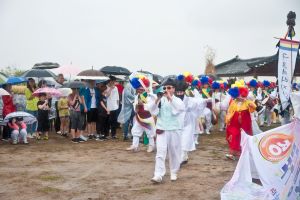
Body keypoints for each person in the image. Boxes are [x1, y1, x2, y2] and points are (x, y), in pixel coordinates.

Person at [148, 78, 185, 183]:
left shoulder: (177, 100)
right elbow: (151, 110)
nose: (166, 90)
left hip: (174, 129)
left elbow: (180, 108)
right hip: (162, 129)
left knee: (174, 152)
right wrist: (157, 99)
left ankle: (174, 172)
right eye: (164, 88)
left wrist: (170, 98)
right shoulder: (159, 99)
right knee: (160, 152)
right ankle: (158, 175)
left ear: (173, 89)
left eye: (169, 88)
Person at [225, 84, 256, 160]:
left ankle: (244, 151)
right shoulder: (233, 102)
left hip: (245, 120)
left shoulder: (247, 102)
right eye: (239, 96)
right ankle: (233, 152)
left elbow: (254, 107)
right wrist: (228, 120)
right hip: (234, 121)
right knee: (234, 134)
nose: (241, 97)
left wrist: (248, 102)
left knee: (245, 134)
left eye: (242, 96)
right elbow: (229, 111)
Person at [126, 83, 156, 153]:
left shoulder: (150, 96)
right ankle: (135, 146)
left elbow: (151, 106)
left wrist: (143, 104)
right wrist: (136, 106)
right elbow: (135, 106)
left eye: (142, 89)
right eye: (139, 89)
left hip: (147, 117)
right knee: (135, 130)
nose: (140, 90)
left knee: (150, 132)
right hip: (139, 116)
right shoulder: (137, 96)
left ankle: (151, 146)